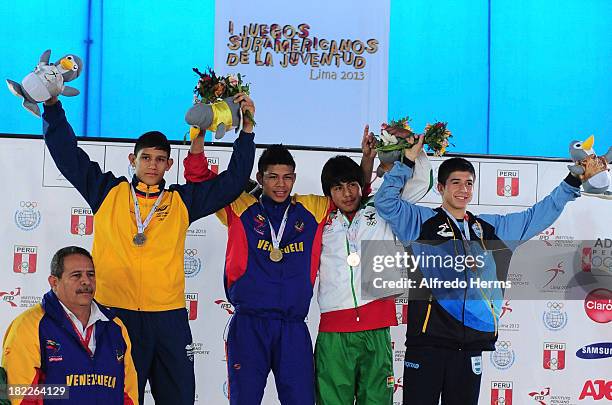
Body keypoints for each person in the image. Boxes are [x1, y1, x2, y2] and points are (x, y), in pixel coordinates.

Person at [41, 94, 256, 404]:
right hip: (115, 315)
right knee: (117, 398)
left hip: (168, 318)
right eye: (145, 158)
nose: (152, 165)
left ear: (170, 164)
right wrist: (51, 106)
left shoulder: (182, 201)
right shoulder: (106, 191)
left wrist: (246, 129)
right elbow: (66, 154)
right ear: (133, 160)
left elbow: (233, 181)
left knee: (179, 398)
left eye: (159, 159)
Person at [374, 129, 581, 405]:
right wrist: (407, 162)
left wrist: (572, 180)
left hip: (469, 347)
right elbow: (385, 202)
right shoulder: (420, 223)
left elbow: (537, 216)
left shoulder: (489, 230)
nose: (463, 190)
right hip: (427, 346)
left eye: (469, 183)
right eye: (456, 182)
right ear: (441, 188)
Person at [315, 129, 430, 405]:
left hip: (376, 327)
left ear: (360, 184)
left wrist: (413, 150)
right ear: (328, 193)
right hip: (334, 332)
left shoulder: (381, 208)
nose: (347, 193)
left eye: (352, 185)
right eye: (338, 188)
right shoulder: (319, 220)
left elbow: (423, 182)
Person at [2, 246, 138, 404]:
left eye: (91, 274)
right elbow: (20, 394)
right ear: (54, 282)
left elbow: (128, 392)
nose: (86, 281)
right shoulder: (29, 326)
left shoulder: (115, 327)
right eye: (76, 275)